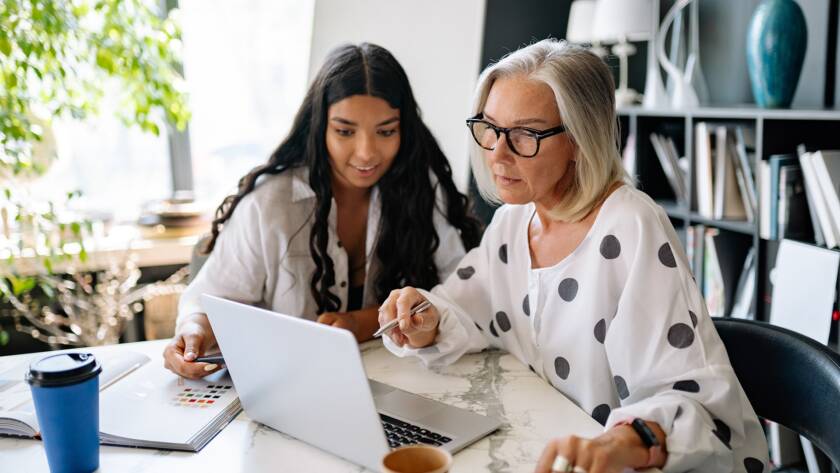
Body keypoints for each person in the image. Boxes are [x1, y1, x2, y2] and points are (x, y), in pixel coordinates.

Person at [378, 39, 769, 473]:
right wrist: (426, 318)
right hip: (541, 449)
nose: (497, 153)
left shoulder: (630, 226)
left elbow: (694, 401)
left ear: (580, 139)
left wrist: (621, 441)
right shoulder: (513, 221)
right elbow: (469, 309)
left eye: (525, 134)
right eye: (490, 127)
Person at [164, 42, 481, 380]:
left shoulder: (421, 192)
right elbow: (211, 301)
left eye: (386, 131)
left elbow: (463, 297)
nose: (366, 153)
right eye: (345, 131)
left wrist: (362, 323)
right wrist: (194, 330)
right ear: (319, 127)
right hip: (286, 386)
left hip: (404, 384)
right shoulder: (270, 204)